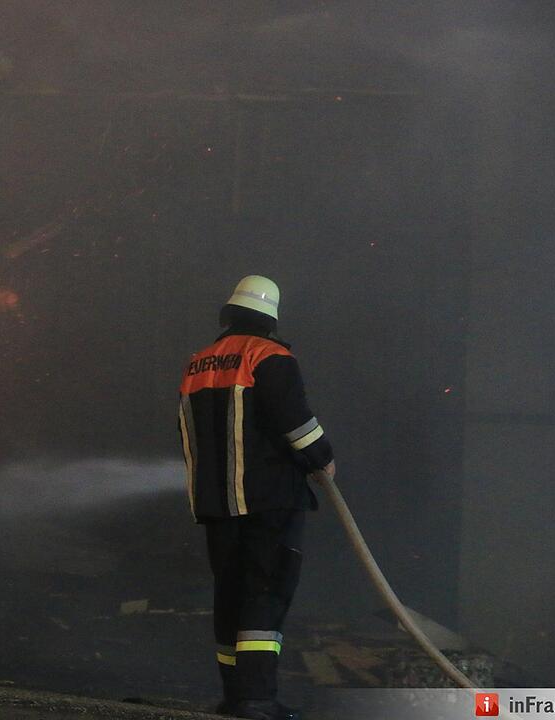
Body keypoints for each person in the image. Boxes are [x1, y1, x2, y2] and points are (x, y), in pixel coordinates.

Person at [178, 275, 336, 720]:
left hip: (216, 505)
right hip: (269, 502)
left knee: (229, 596)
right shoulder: (270, 357)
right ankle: (258, 700)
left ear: (230, 314)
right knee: (265, 594)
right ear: (269, 320)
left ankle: (235, 696)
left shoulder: (199, 363)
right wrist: (322, 458)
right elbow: (295, 421)